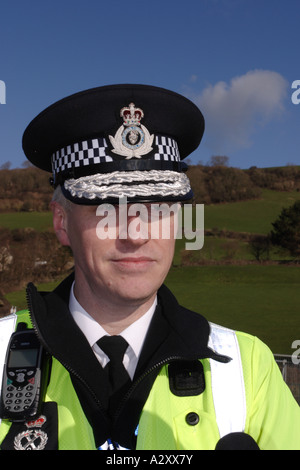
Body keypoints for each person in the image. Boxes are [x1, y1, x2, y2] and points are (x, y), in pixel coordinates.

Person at [0, 84, 299, 451]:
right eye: (107, 206)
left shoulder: (248, 367)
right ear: (62, 223)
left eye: (157, 206)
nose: (136, 233)